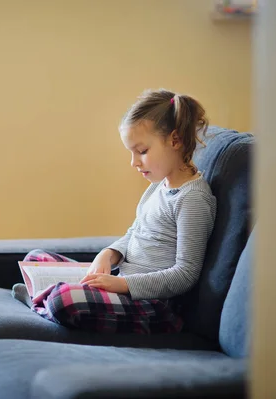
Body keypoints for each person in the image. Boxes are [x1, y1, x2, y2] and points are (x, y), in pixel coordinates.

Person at [12, 88, 217, 334]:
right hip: (121, 279)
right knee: (36, 258)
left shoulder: (193, 199)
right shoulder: (158, 186)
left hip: (154, 304)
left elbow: (185, 275)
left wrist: (121, 284)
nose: (134, 162)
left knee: (64, 300)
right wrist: (108, 255)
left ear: (175, 140)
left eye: (142, 151)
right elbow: (134, 232)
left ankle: (41, 301)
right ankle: (46, 296)